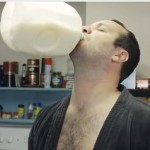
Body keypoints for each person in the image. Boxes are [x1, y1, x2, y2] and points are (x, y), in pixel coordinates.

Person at [28, 19, 150, 150]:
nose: (84, 28)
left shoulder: (144, 121)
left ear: (119, 55)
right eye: (87, 26)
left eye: (101, 29)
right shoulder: (45, 117)